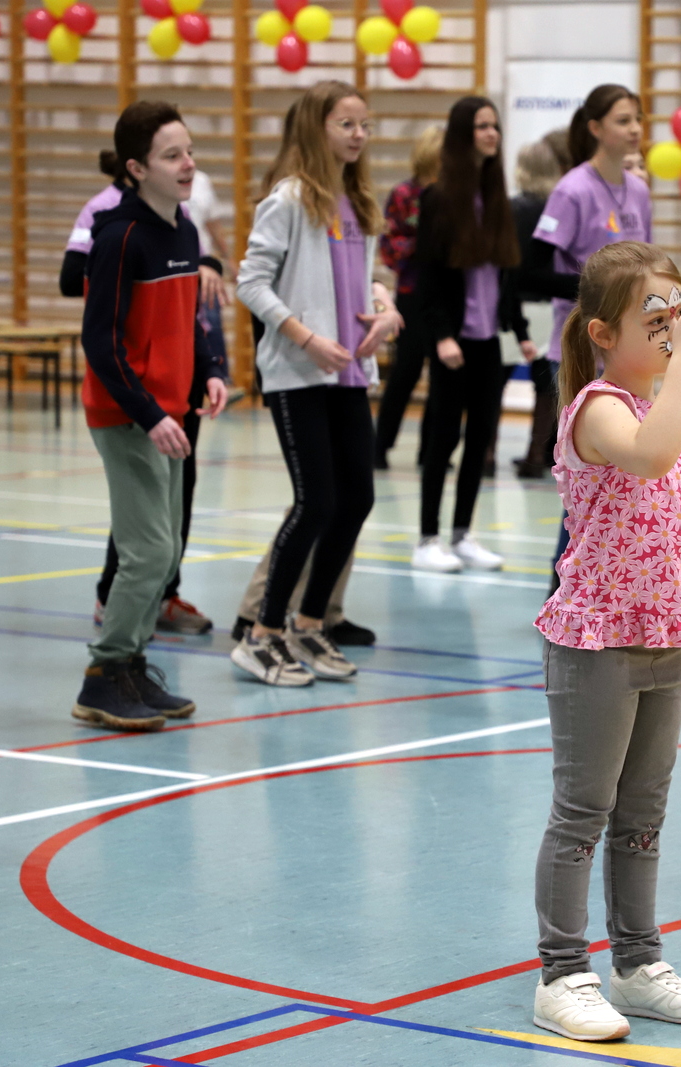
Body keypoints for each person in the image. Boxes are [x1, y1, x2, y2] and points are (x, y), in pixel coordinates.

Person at [531, 241, 681, 1041]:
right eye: (658, 318)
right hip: (595, 639)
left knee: (644, 812)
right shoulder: (601, 407)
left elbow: (678, 531)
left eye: (678, 315)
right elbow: (646, 463)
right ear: (605, 333)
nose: (673, 330)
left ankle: (637, 962)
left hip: (660, 635)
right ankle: (561, 973)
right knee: (584, 809)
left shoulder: (663, 409)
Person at [233, 80, 399, 685]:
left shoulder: (356, 201)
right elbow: (250, 283)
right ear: (316, 128)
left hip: (349, 372)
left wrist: (385, 303)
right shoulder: (289, 200)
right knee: (315, 502)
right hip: (299, 374)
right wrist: (304, 336)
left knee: (357, 498)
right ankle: (261, 633)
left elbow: (369, 275)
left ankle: (309, 625)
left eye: (365, 125)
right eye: (346, 124)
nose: (358, 135)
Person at [73, 101, 229, 731]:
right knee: (147, 552)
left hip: (169, 408)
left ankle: (132, 665)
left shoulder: (184, 231)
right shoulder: (119, 237)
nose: (188, 164)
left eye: (189, 151)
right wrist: (147, 414)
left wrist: (211, 369)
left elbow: (191, 319)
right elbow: (101, 343)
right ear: (137, 168)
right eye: (172, 155)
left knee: (164, 553)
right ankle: (103, 675)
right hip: (125, 413)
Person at [525, 85, 651, 589]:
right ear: (595, 128)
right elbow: (531, 274)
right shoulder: (572, 189)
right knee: (585, 482)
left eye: (638, 119)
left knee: (622, 479)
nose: (635, 129)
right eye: (623, 120)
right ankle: (564, 592)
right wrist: (602, 297)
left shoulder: (639, 190)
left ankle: (605, 585)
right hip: (579, 352)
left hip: (630, 357)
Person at [409, 95, 532, 573]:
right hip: (452, 341)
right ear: (464, 133)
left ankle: (462, 534)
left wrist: (519, 330)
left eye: (495, 126)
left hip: (487, 341)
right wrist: (440, 335)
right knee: (443, 437)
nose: (491, 134)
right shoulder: (439, 197)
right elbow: (427, 277)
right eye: (482, 126)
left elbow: (506, 275)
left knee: (482, 435)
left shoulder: (496, 198)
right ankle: (426, 538)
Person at [373, 122, 444, 470]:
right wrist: (424, 246)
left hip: (445, 294)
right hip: (413, 291)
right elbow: (390, 245)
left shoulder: (455, 194)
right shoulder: (405, 194)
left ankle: (431, 451)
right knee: (407, 369)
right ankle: (380, 445)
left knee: (443, 372)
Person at [510, 138, 567, 478]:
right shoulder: (554, 208)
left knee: (497, 381)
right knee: (546, 385)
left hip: (513, 301)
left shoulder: (515, 207)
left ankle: (489, 453)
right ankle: (537, 452)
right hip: (549, 300)